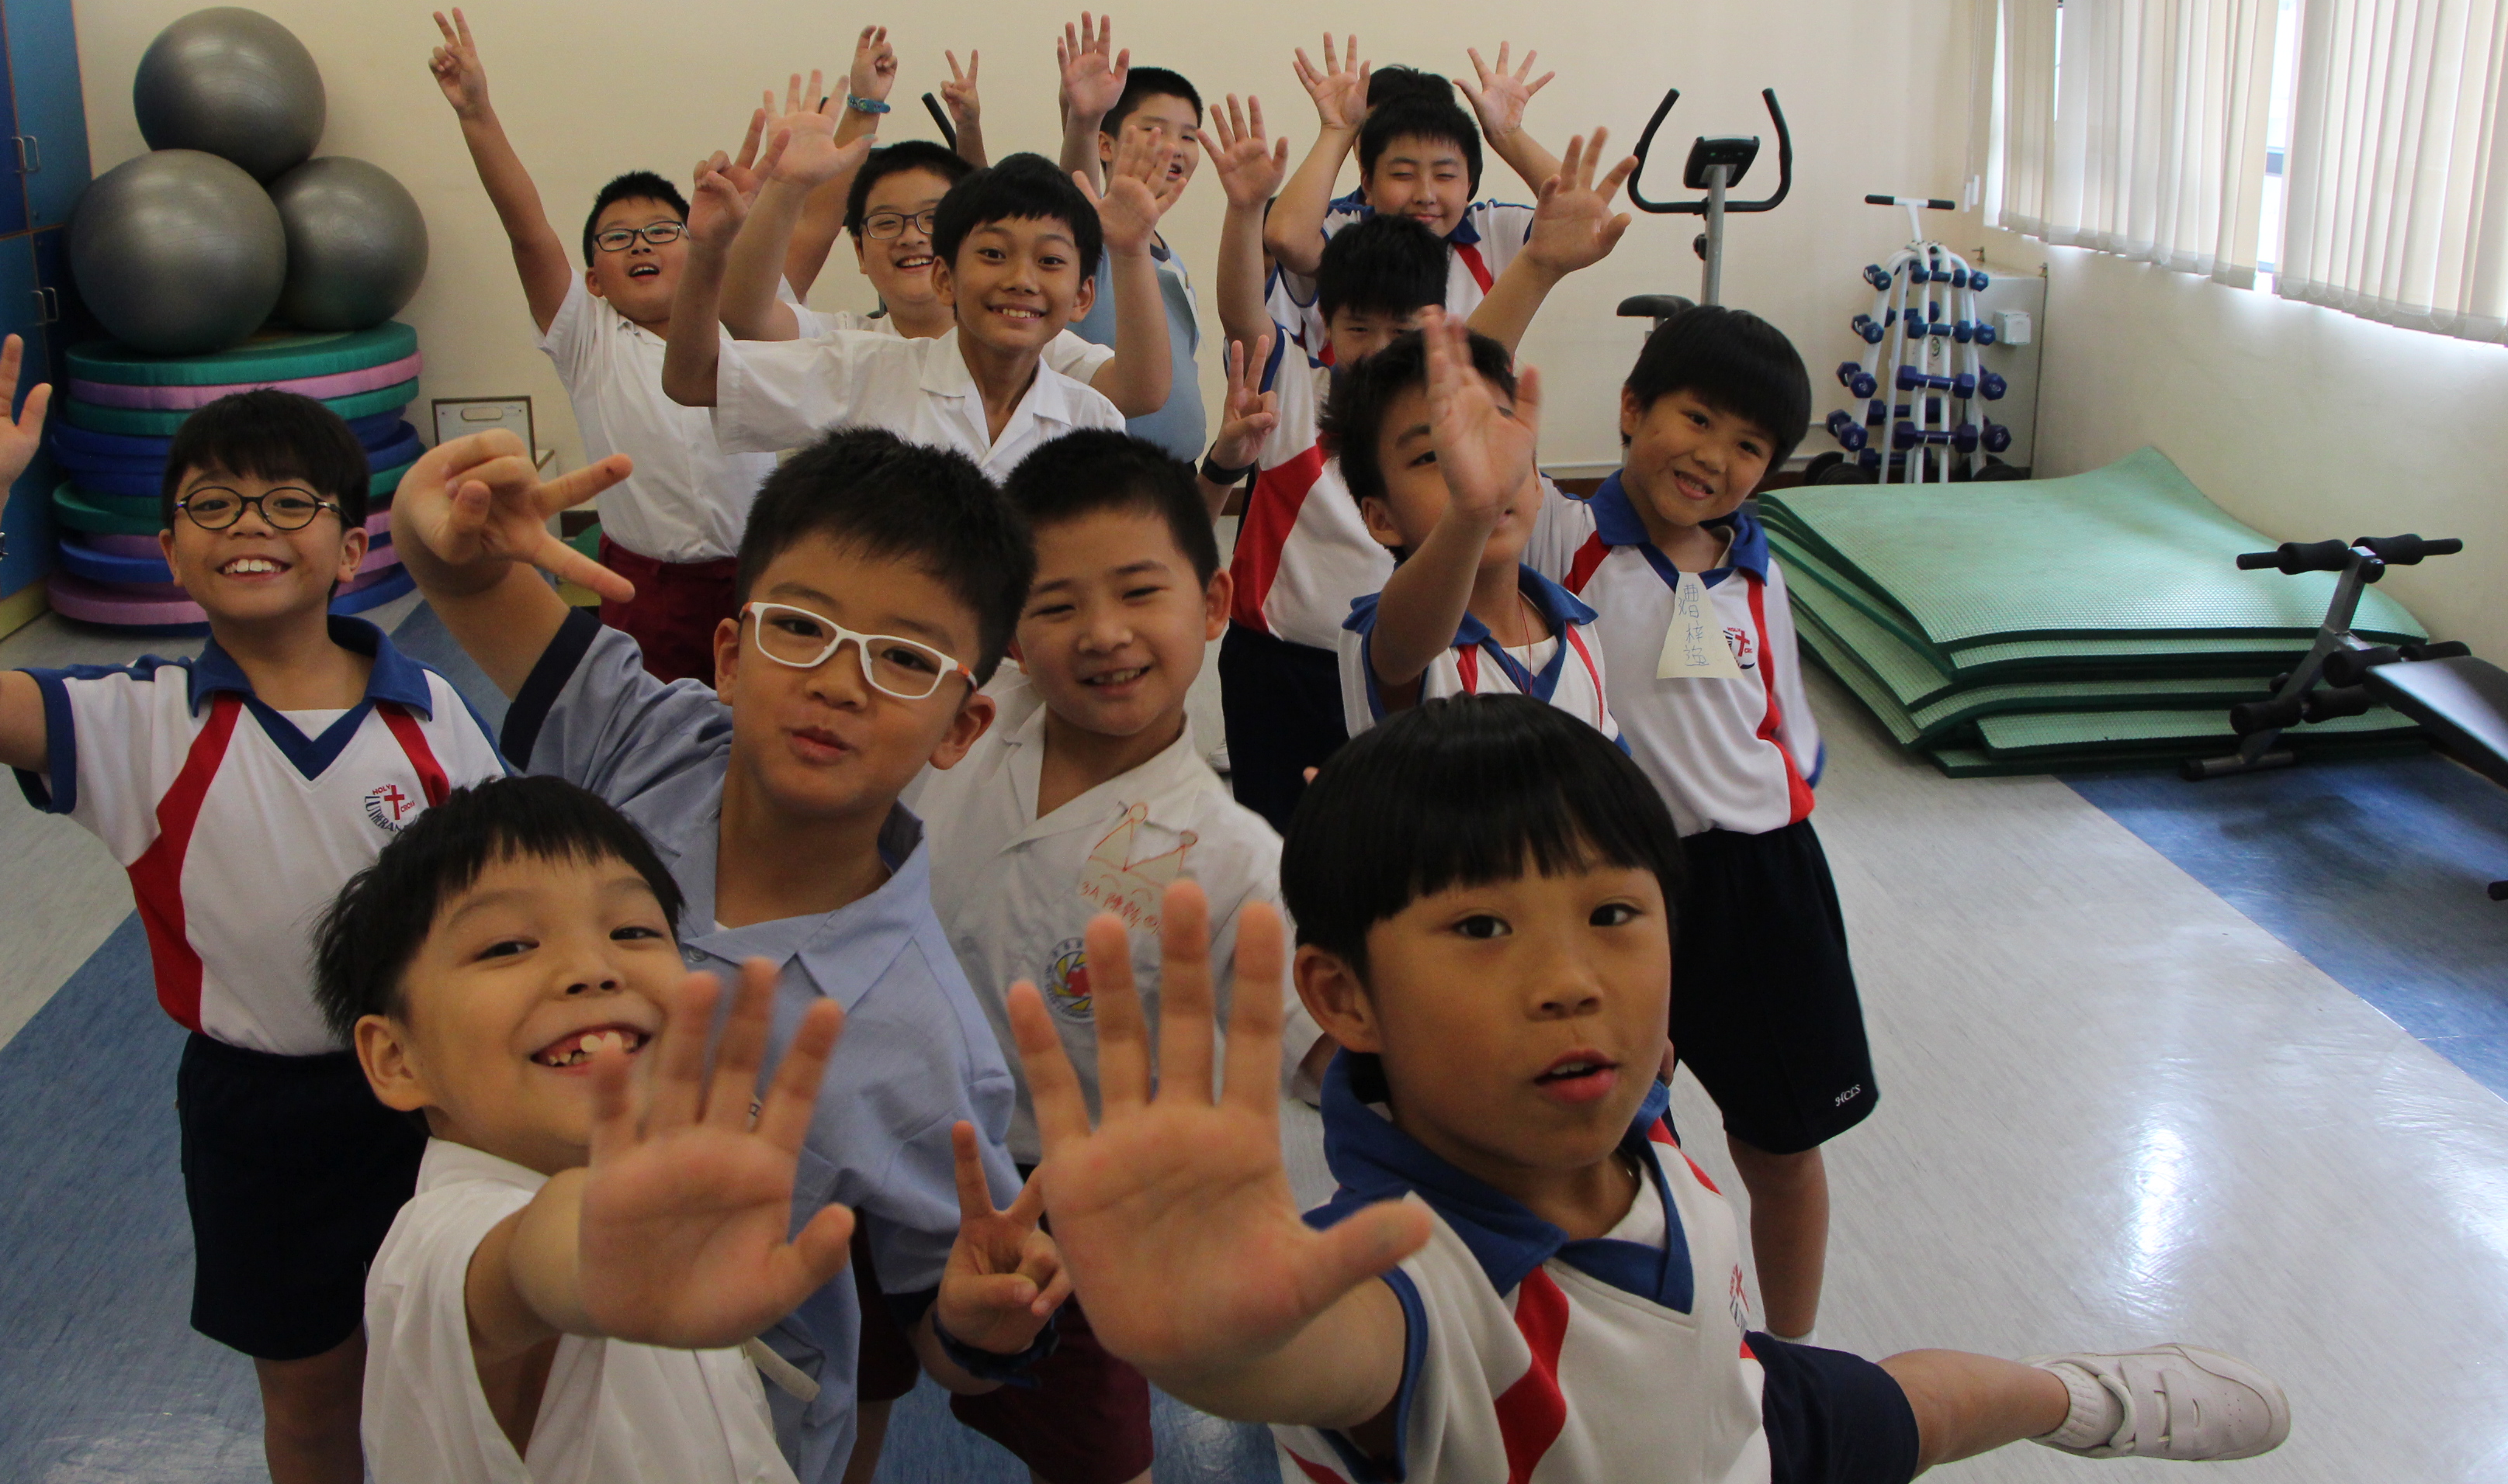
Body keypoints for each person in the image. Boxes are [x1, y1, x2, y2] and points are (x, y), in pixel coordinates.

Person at [1012, 696, 2296, 1482]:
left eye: (1614, 913)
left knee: (1946, 1402)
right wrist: (1221, 1344)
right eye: (1480, 928)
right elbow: (1330, 1351)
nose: (1572, 982)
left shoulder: (1620, 1093)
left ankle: (2088, 1397)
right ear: (1343, 998)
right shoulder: (1411, 1282)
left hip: (1741, 1410)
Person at [388, 424, 1065, 1484]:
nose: (839, 682)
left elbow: (941, 1320)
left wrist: (981, 1330)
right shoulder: (647, 745)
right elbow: (472, 586)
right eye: (801, 626)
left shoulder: (925, 1034)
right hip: (494, 1326)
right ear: (732, 657)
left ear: (961, 726)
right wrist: (443, 525)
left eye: (904, 658)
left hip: (724, 1428)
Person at [0, 334, 506, 1484]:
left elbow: (506, 900)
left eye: (289, 502)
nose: (249, 526)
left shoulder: (430, 712)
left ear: (352, 544)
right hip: (259, 1117)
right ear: (171, 553)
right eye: (214, 506)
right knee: (312, 1399)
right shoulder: (137, 724)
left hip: (442, 1094)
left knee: (464, 1362)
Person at [317, 774, 1064, 1482]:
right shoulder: (440, 1248)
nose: (592, 968)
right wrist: (588, 1254)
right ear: (395, 1058)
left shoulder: (671, 1220)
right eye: (507, 946)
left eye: (633, 930)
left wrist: (971, 1330)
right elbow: (524, 1271)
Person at [910, 428, 1332, 1484]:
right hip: (893, 1141)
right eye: (1055, 605)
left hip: (1073, 1208)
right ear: (1009, 631)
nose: (1103, 635)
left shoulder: (1235, 860)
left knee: (1094, 1448)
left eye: (1141, 593)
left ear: (1215, 602)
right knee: (860, 1376)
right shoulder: (964, 725)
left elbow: (1334, 1053)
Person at [1520, 303, 1862, 1343]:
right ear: (1632, 408)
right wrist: (1544, 268)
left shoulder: (1758, 569)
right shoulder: (1564, 537)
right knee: (1603, 1139)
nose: (1714, 457)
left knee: (1784, 1148)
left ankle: (1791, 1359)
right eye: (1697, 418)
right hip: (1619, 890)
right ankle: (1619, 1353)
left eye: (1750, 444)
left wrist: (1770, 808)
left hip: (1764, 883)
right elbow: (1475, 422)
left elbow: (1789, 724)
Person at [1197, 114, 1635, 829]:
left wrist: (1540, 264)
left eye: (1400, 331)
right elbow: (1245, 316)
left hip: (1407, 657)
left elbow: (1477, 350)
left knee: (1394, 832)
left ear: (1434, 325)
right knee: (1281, 836)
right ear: (1325, 323)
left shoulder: (1445, 411)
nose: (1377, 348)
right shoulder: (1294, 390)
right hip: (1281, 662)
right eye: (1357, 328)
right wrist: (1245, 210)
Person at [429, 7, 785, 684]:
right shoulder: (588, 337)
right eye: (618, 239)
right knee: (653, 726)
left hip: (762, 570)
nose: (641, 244)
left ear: (700, 245)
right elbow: (528, 231)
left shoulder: (744, 319)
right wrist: (476, 112)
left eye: (662, 232)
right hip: (647, 587)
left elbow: (800, 235)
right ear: (593, 278)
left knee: (766, 718)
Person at [662, 142, 1184, 481]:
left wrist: (1131, 250)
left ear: (1082, 297)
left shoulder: (1092, 418)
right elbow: (693, 379)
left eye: (1049, 261)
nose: (1021, 280)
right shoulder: (864, 368)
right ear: (944, 277)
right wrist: (707, 252)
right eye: (993, 254)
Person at [1322, 316, 1619, 743]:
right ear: (1382, 518)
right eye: (1432, 456)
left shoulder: (1578, 623)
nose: (1477, 467)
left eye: (1494, 439)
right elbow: (1405, 644)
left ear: (1537, 481)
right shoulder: (1388, 634)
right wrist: (1470, 512)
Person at [683, 100, 1110, 392]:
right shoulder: (845, 347)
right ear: (859, 252)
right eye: (886, 223)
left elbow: (1136, 388)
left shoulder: (1028, 342)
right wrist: (786, 187)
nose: (911, 237)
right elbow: (746, 316)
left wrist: (1131, 250)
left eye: (932, 219)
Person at [1263, 36, 1571, 313]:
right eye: (1402, 174)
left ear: (1469, 181)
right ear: (1368, 180)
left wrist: (1509, 135)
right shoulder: (1345, 231)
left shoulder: (1492, 231)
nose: (1425, 195)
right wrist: (1336, 130)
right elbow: (1286, 238)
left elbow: (1580, 221)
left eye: (1444, 174)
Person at [1050, 16, 1214, 464]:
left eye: (1188, 135)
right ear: (1106, 145)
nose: (1173, 147)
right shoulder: (1098, 239)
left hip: (1173, 476)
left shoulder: (1169, 258)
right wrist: (1084, 122)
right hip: (1104, 472)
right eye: (1154, 129)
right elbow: (1077, 201)